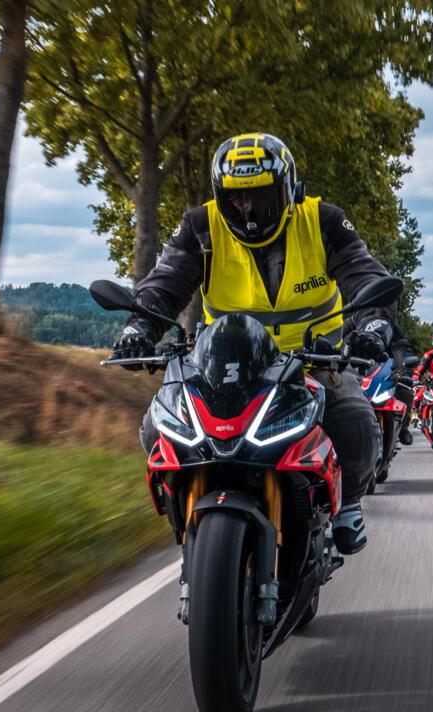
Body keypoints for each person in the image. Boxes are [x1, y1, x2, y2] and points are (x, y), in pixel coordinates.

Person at [112, 132, 394, 556]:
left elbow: (364, 275)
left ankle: (347, 503)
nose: (247, 208)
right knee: (157, 426)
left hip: (313, 361)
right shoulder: (201, 226)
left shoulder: (323, 222)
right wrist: (139, 328)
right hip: (224, 365)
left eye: (260, 195)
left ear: (288, 189)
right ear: (219, 196)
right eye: (236, 198)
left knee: (353, 419)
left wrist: (373, 327)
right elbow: (164, 283)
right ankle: (181, 511)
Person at [345, 309, 417, 445]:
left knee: (406, 391)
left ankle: (403, 428)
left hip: (384, 375)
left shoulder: (393, 328)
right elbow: (336, 338)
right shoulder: (353, 321)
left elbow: (403, 350)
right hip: (355, 373)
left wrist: (406, 372)